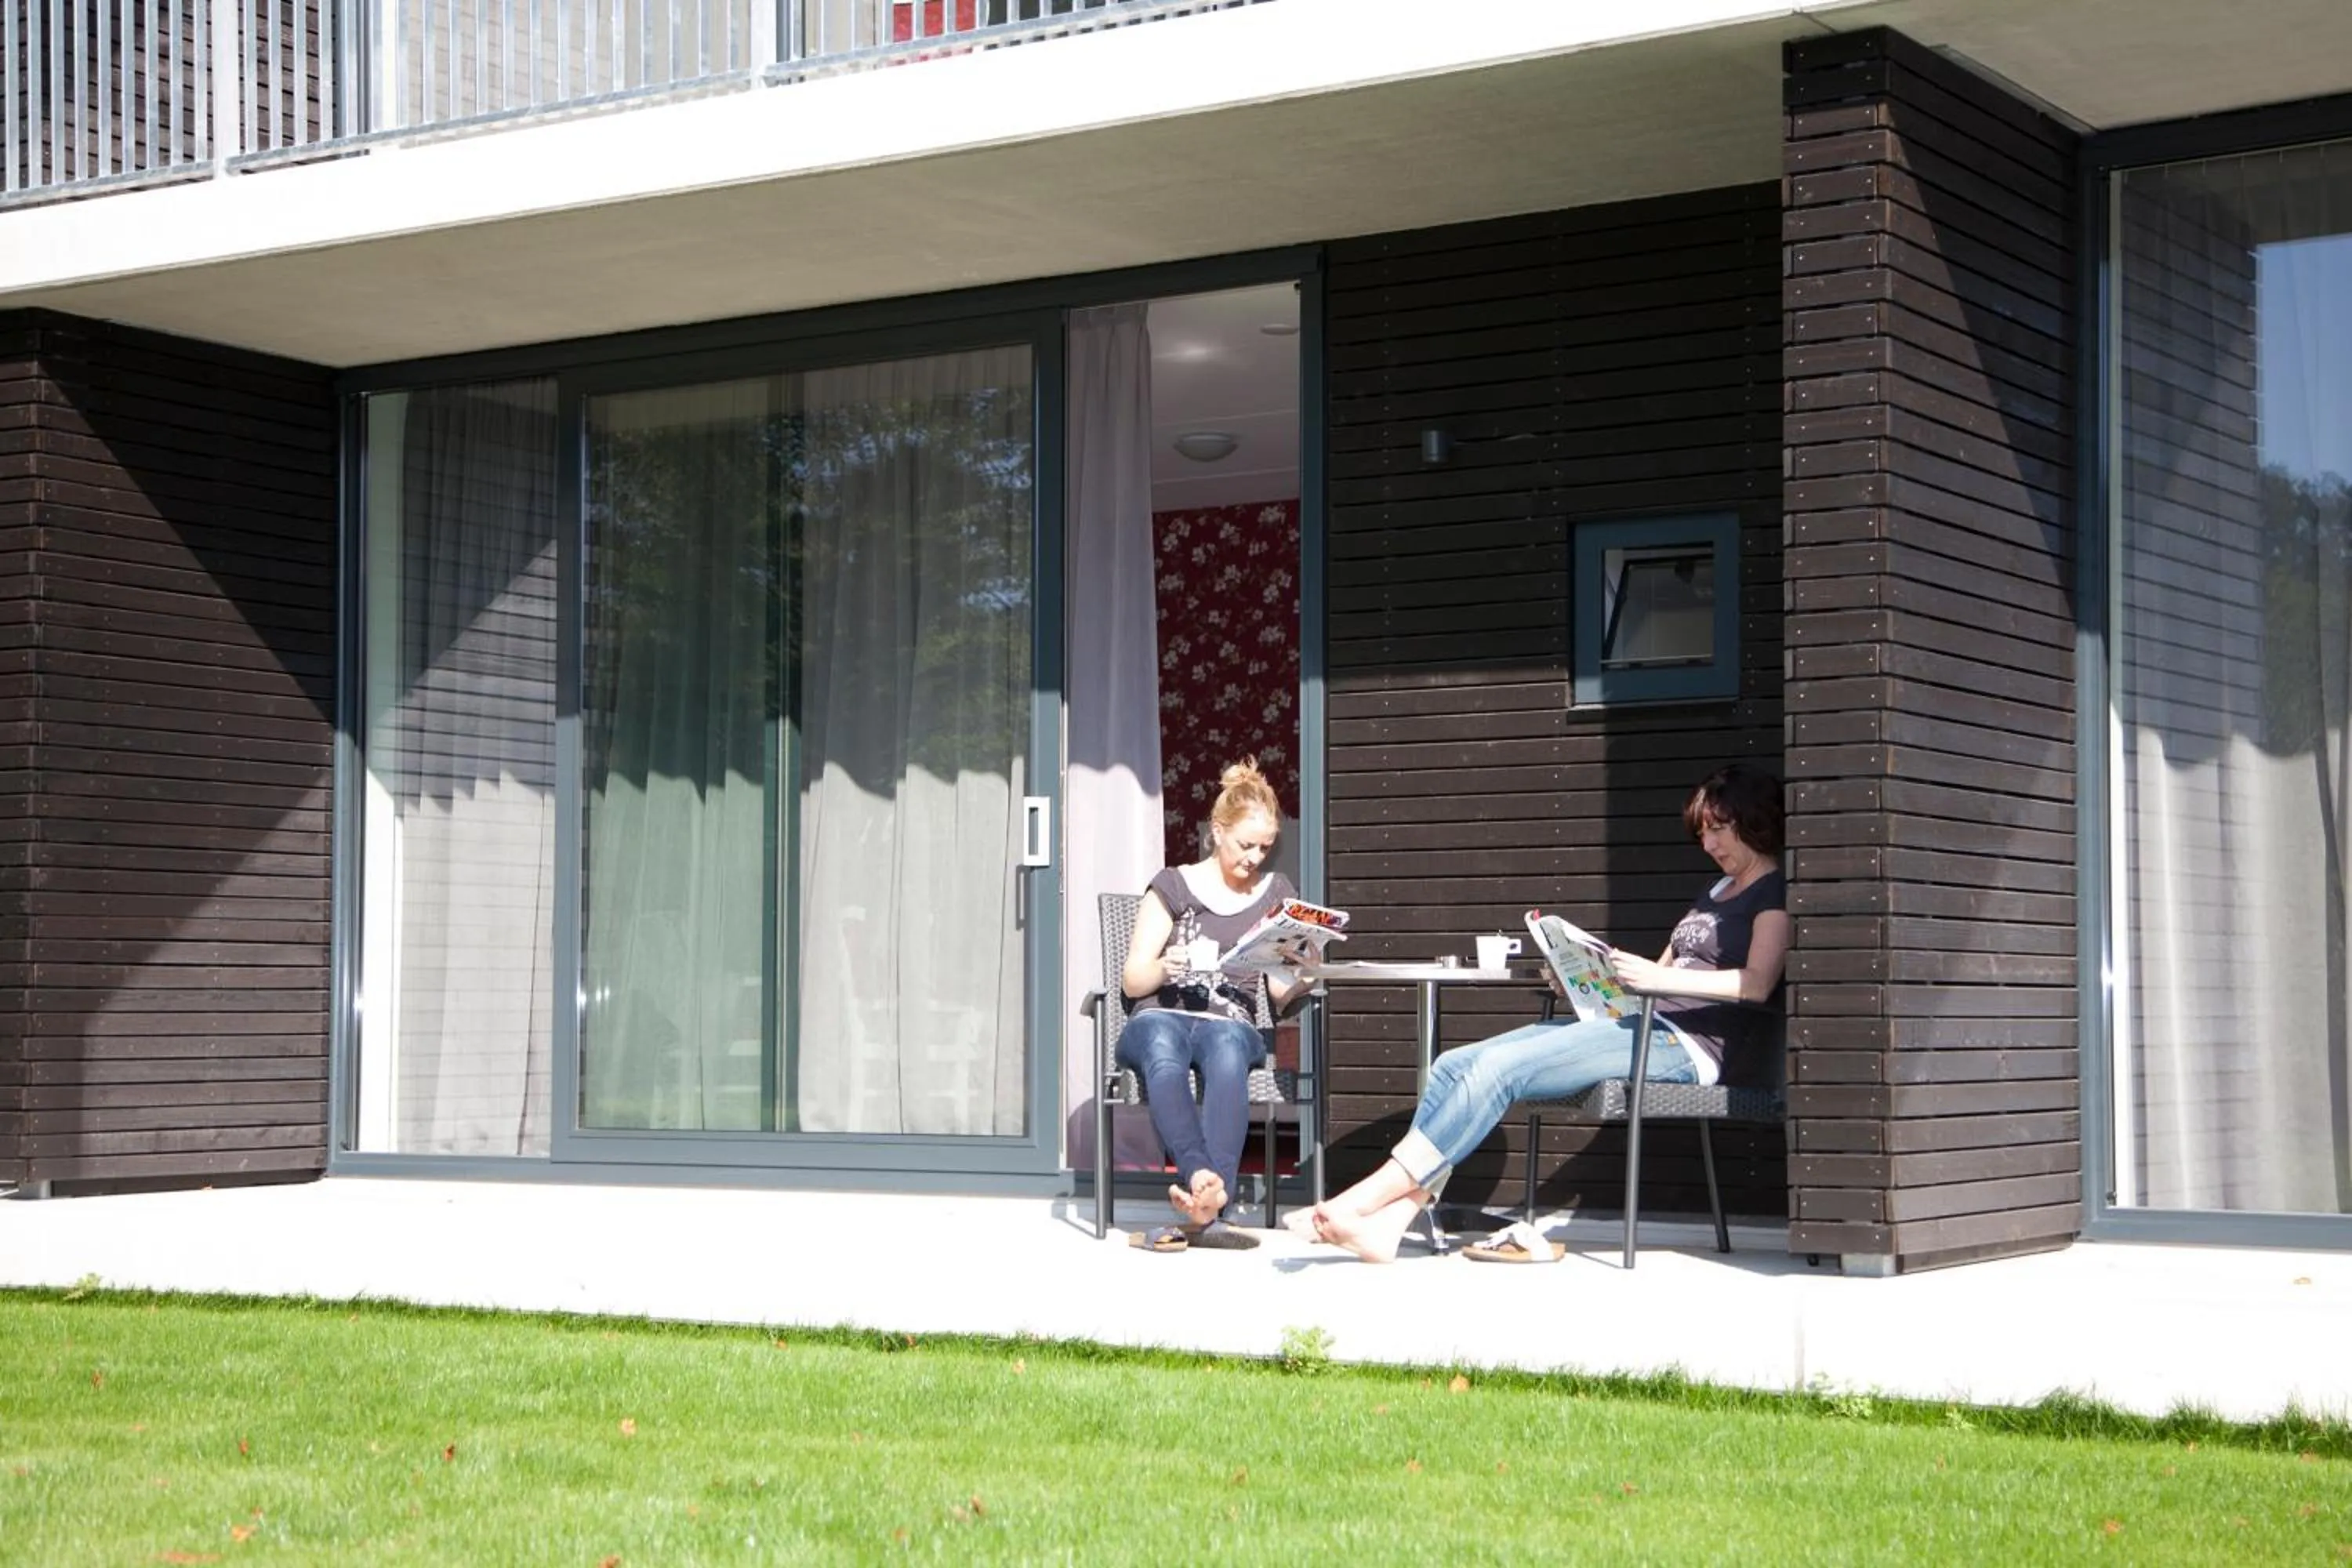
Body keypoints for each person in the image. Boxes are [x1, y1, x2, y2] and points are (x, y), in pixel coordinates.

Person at [1294, 762, 1789, 1263]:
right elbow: (1653, 977)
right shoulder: (1714, 892)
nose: (1709, 844)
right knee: (1453, 1065)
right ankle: (1393, 1223)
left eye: (1719, 830)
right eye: (1703, 833)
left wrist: (1660, 979)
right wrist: (1587, 976)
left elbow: (1757, 983)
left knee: (1496, 1071)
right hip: (1641, 1024)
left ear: (1753, 821)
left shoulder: (1772, 892)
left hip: (1684, 1046)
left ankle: (1361, 1201)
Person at [1118, 757, 1311, 1249]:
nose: (1255, 858)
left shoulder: (1277, 895)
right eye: (1246, 845)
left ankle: (1204, 1199)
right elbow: (1134, 979)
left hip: (1228, 1018)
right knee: (1162, 1049)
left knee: (1228, 1050)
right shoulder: (1174, 885)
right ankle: (1207, 1186)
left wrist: (1302, 968)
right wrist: (1167, 965)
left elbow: (1279, 995)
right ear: (1217, 832)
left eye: (1265, 848)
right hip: (1161, 1011)